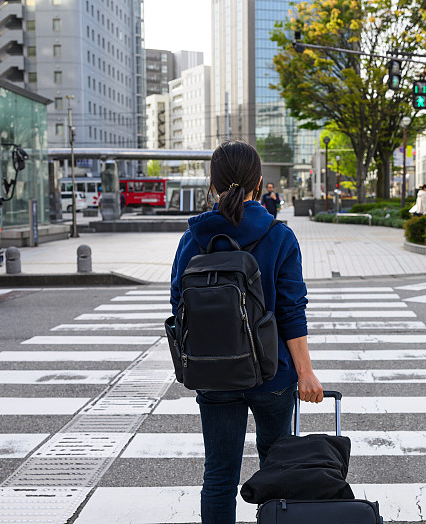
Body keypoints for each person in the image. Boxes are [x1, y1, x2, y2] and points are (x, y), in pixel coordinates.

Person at [170, 140, 323, 524]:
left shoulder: (193, 238)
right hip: (273, 373)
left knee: (219, 474)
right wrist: (305, 372)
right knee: (277, 467)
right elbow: (291, 311)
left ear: (212, 183)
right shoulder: (279, 236)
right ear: (258, 182)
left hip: (213, 371)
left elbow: (178, 306)